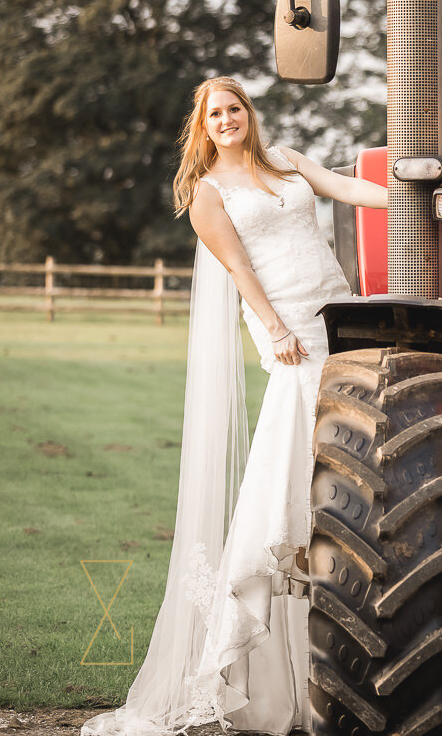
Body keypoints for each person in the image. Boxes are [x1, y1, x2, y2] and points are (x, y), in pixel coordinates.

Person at [83, 77, 387, 736]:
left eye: (234, 108)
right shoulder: (207, 194)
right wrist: (275, 326)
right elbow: (240, 267)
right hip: (292, 325)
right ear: (203, 126)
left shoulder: (284, 159)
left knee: (348, 440)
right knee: (301, 451)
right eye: (214, 113)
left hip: (338, 308)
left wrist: (410, 195)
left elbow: (346, 188)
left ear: (249, 113)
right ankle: (271, 572)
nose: (226, 119)